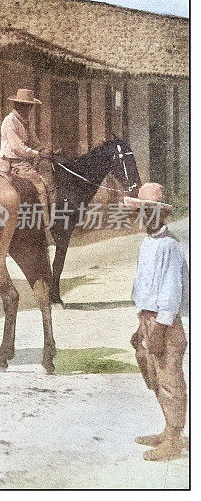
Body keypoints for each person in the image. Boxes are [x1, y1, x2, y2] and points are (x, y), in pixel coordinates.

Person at [125, 183, 188, 462]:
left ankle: (174, 439)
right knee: (153, 375)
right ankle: (168, 428)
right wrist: (142, 325)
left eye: (152, 212)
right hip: (147, 318)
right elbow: (143, 287)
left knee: (169, 378)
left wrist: (160, 328)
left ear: (163, 216)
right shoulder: (146, 244)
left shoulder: (169, 246)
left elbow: (172, 292)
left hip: (166, 323)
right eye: (142, 211)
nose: (147, 216)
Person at [0, 88, 54, 228]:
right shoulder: (10, 121)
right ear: (19, 105)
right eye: (27, 106)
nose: (29, 109)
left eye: (30, 106)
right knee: (40, 185)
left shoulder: (25, 122)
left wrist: (44, 150)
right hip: (13, 161)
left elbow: (34, 141)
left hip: (24, 160)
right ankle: (45, 225)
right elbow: (18, 147)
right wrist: (38, 154)